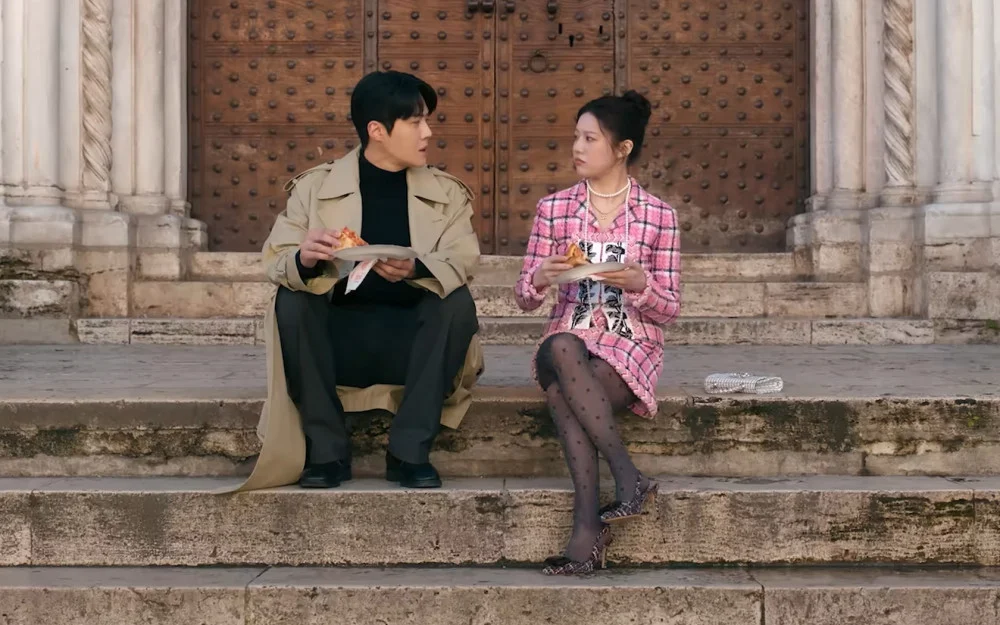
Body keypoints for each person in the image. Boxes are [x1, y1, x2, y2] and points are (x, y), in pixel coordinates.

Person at [234, 70, 483, 493]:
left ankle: (409, 452)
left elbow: (463, 258)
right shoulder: (314, 189)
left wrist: (417, 269)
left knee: (456, 301)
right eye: (416, 122)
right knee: (291, 300)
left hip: (414, 347)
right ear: (377, 131)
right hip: (337, 346)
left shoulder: (447, 193)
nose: (428, 132)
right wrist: (305, 258)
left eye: (426, 121)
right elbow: (276, 259)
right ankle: (326, 451)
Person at [513, 90, 681, 575]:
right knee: (564, 346)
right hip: (567, 336)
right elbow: (524, 298)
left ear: (622, 148)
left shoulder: (659, 216)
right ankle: (628, 477)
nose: (577, 148)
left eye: (590, 139)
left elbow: (669, 310)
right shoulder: (554, 209)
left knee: (565, 396)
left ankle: (586, 535)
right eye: (576, 137)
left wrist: (641, 286)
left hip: (630, 345)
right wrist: (539, 278)